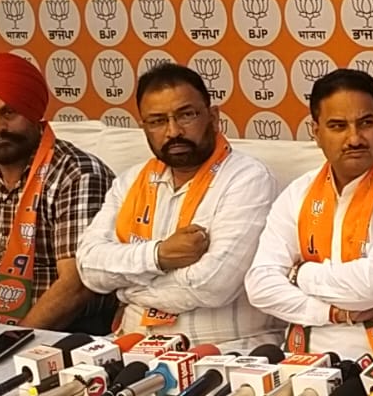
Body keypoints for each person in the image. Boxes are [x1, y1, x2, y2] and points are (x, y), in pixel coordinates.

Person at [77, 64, 276, 348]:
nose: (173, 131)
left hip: (223, 348)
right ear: (144, 127)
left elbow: (213, 285)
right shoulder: (131, 181)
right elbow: (88, 267)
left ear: (213, 117)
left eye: (186, 115)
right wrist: (159, 256)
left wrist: (126, 290)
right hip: (132, 341)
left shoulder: (247, 178)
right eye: (157, 121)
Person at [246, 69, 373, 359]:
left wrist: (299, 273)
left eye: (366, 123)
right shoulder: (298, 192)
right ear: (316, 132)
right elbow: (259, 285)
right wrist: (332, 313)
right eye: (338, 126)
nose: (354, 139)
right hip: (299, 356)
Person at [0, 52, 114, 331]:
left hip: (49, 335)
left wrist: (10, 342)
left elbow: (76, 284)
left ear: (32, 111)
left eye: (9, 113)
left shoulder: (77, 173)